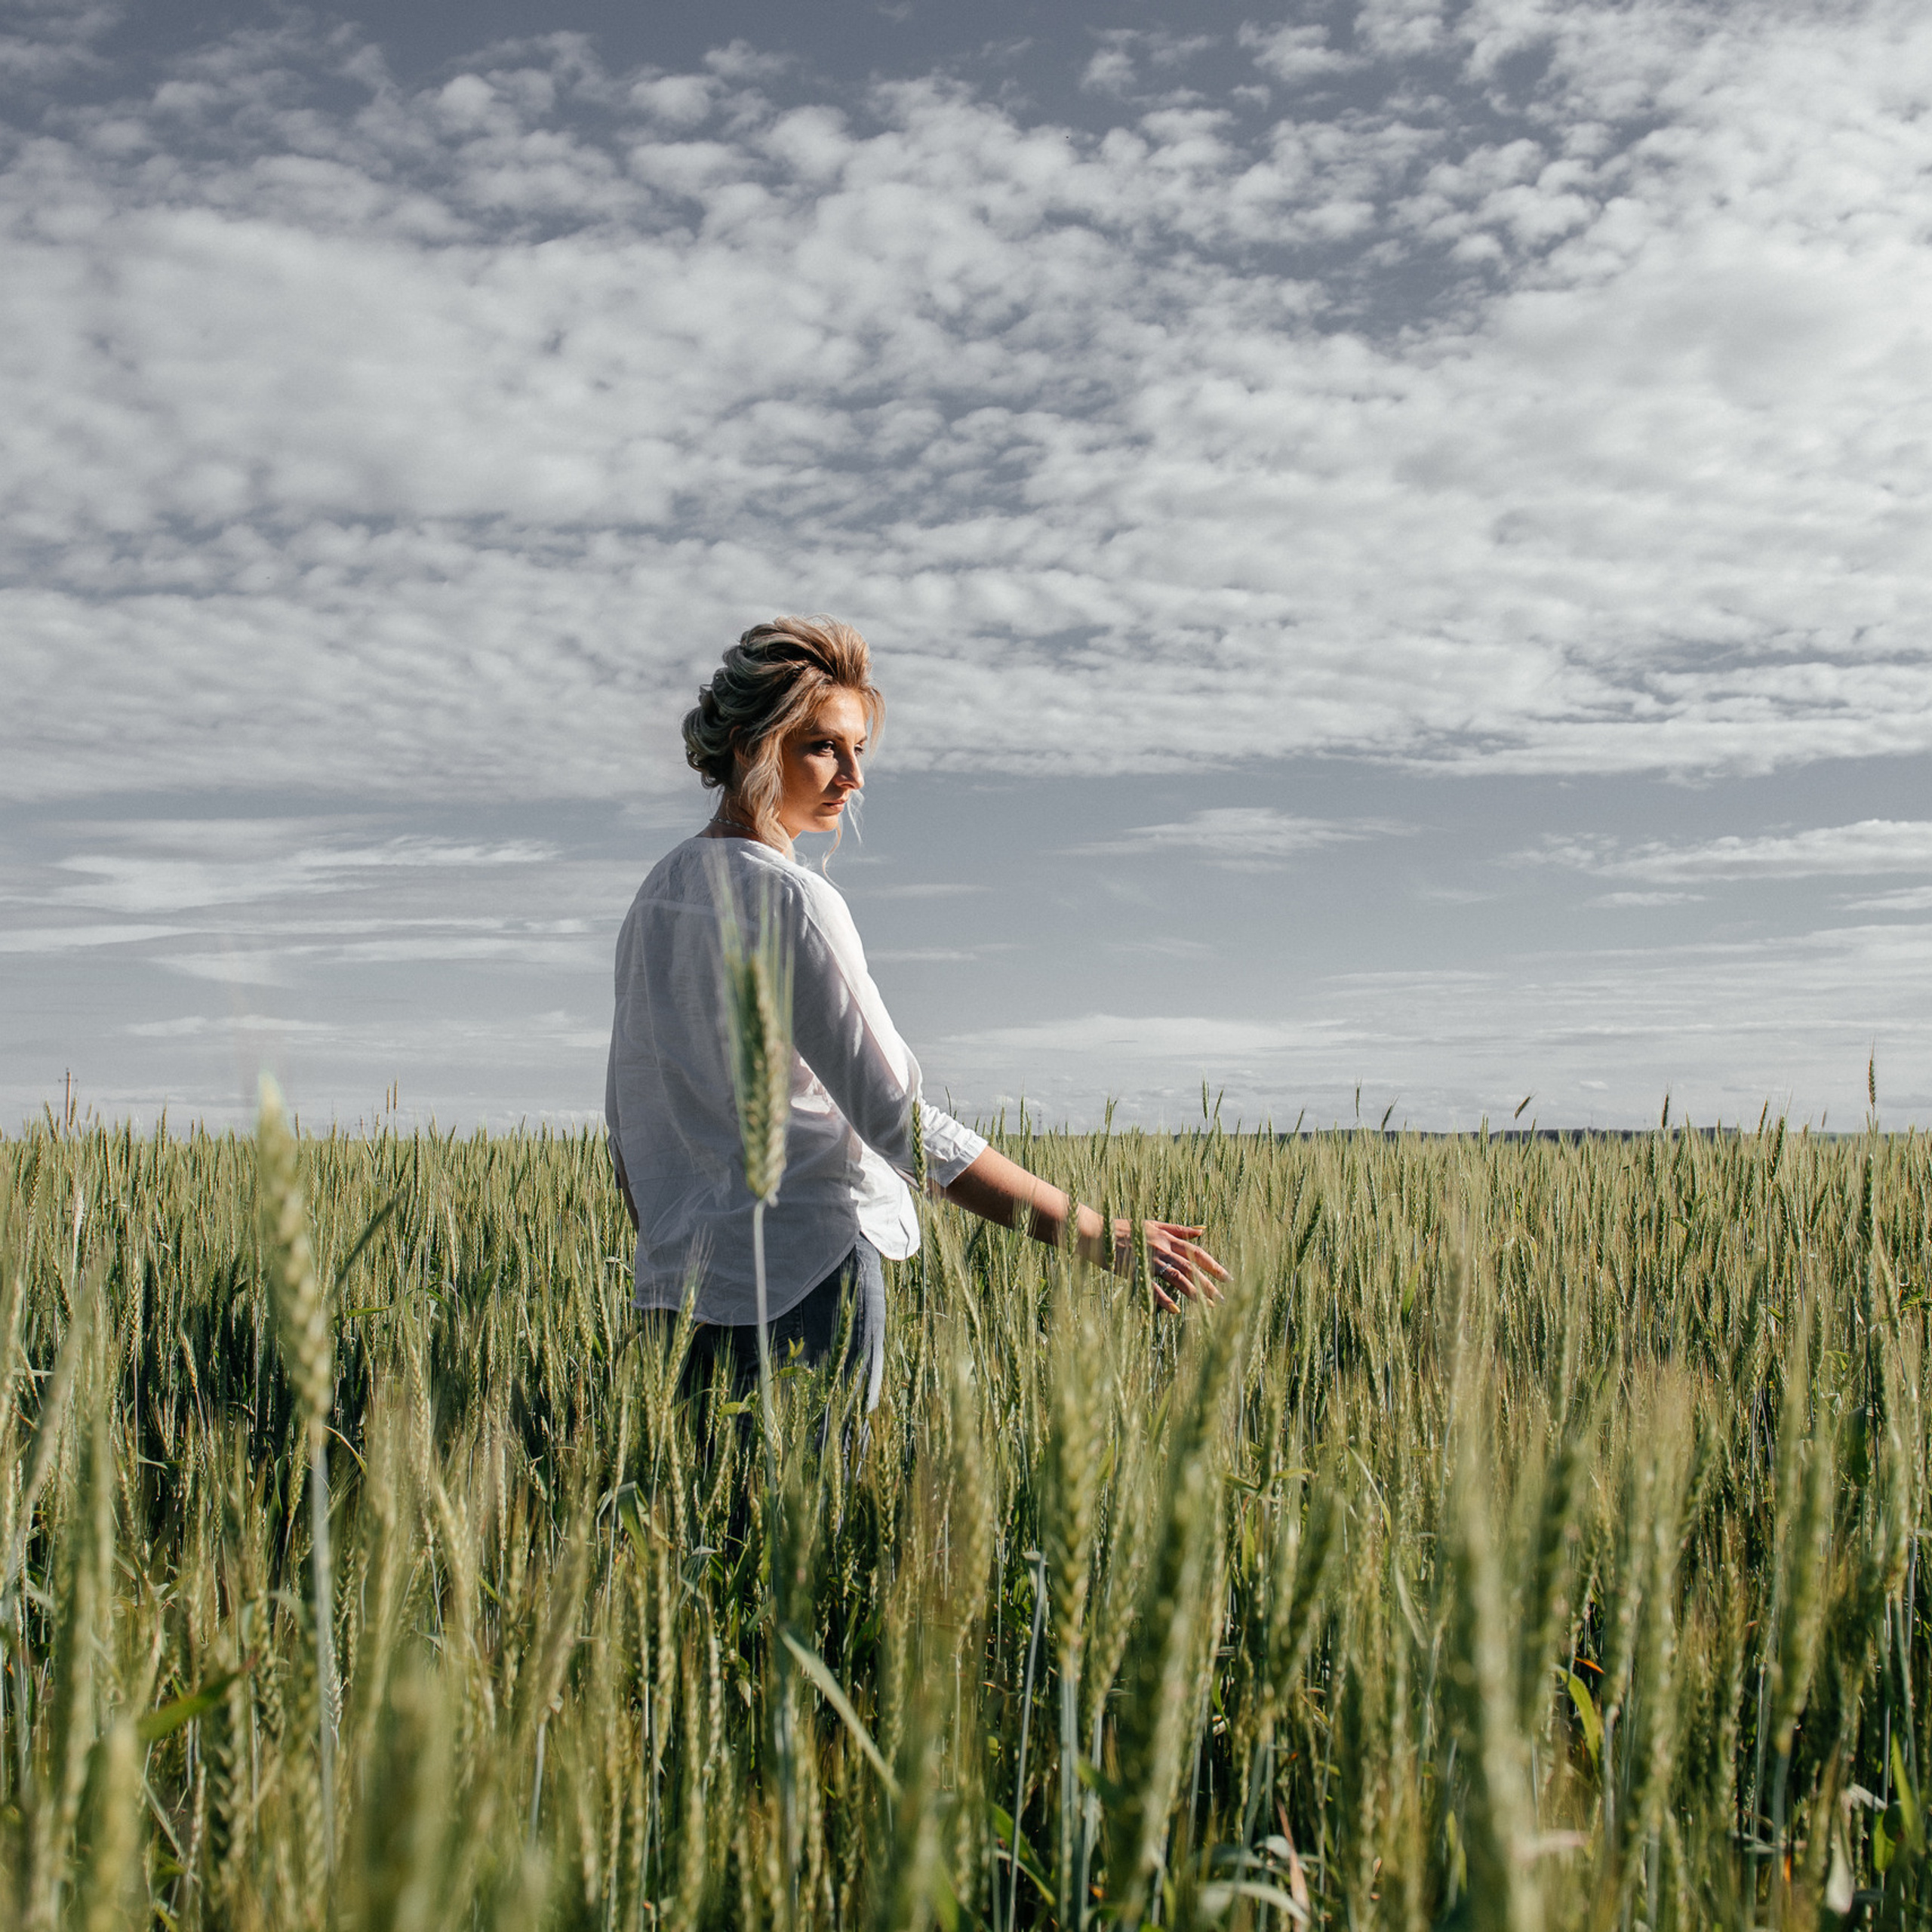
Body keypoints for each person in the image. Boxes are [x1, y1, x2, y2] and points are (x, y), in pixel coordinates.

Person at [605, 616, 1226, 1411]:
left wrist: (674, 1246)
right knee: (804, 1530)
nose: (852, 777)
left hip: (680, 1291)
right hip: (805, 1271)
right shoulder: (790, 898)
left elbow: (631, 1117)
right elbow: (898, 1124)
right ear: (748, 744)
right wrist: (1095, 1232)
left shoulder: (658, 893)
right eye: (823, 746)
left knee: (707, 1528)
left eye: (859, 749)